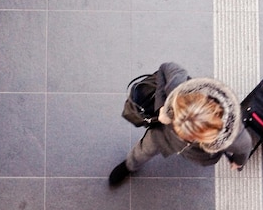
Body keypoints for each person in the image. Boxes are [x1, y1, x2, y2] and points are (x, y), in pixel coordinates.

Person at [109, 62, 254, 186]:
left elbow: (245, 147)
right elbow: (165, 68)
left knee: (146, 148)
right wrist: (162, 108)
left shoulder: (234, 136)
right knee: (144, 150)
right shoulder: (180, 90)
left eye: (191, 136)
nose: (182, 136)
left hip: (197, 154)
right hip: (163, 135)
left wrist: (238, 162)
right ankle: (130, 165)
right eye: (178, 125)